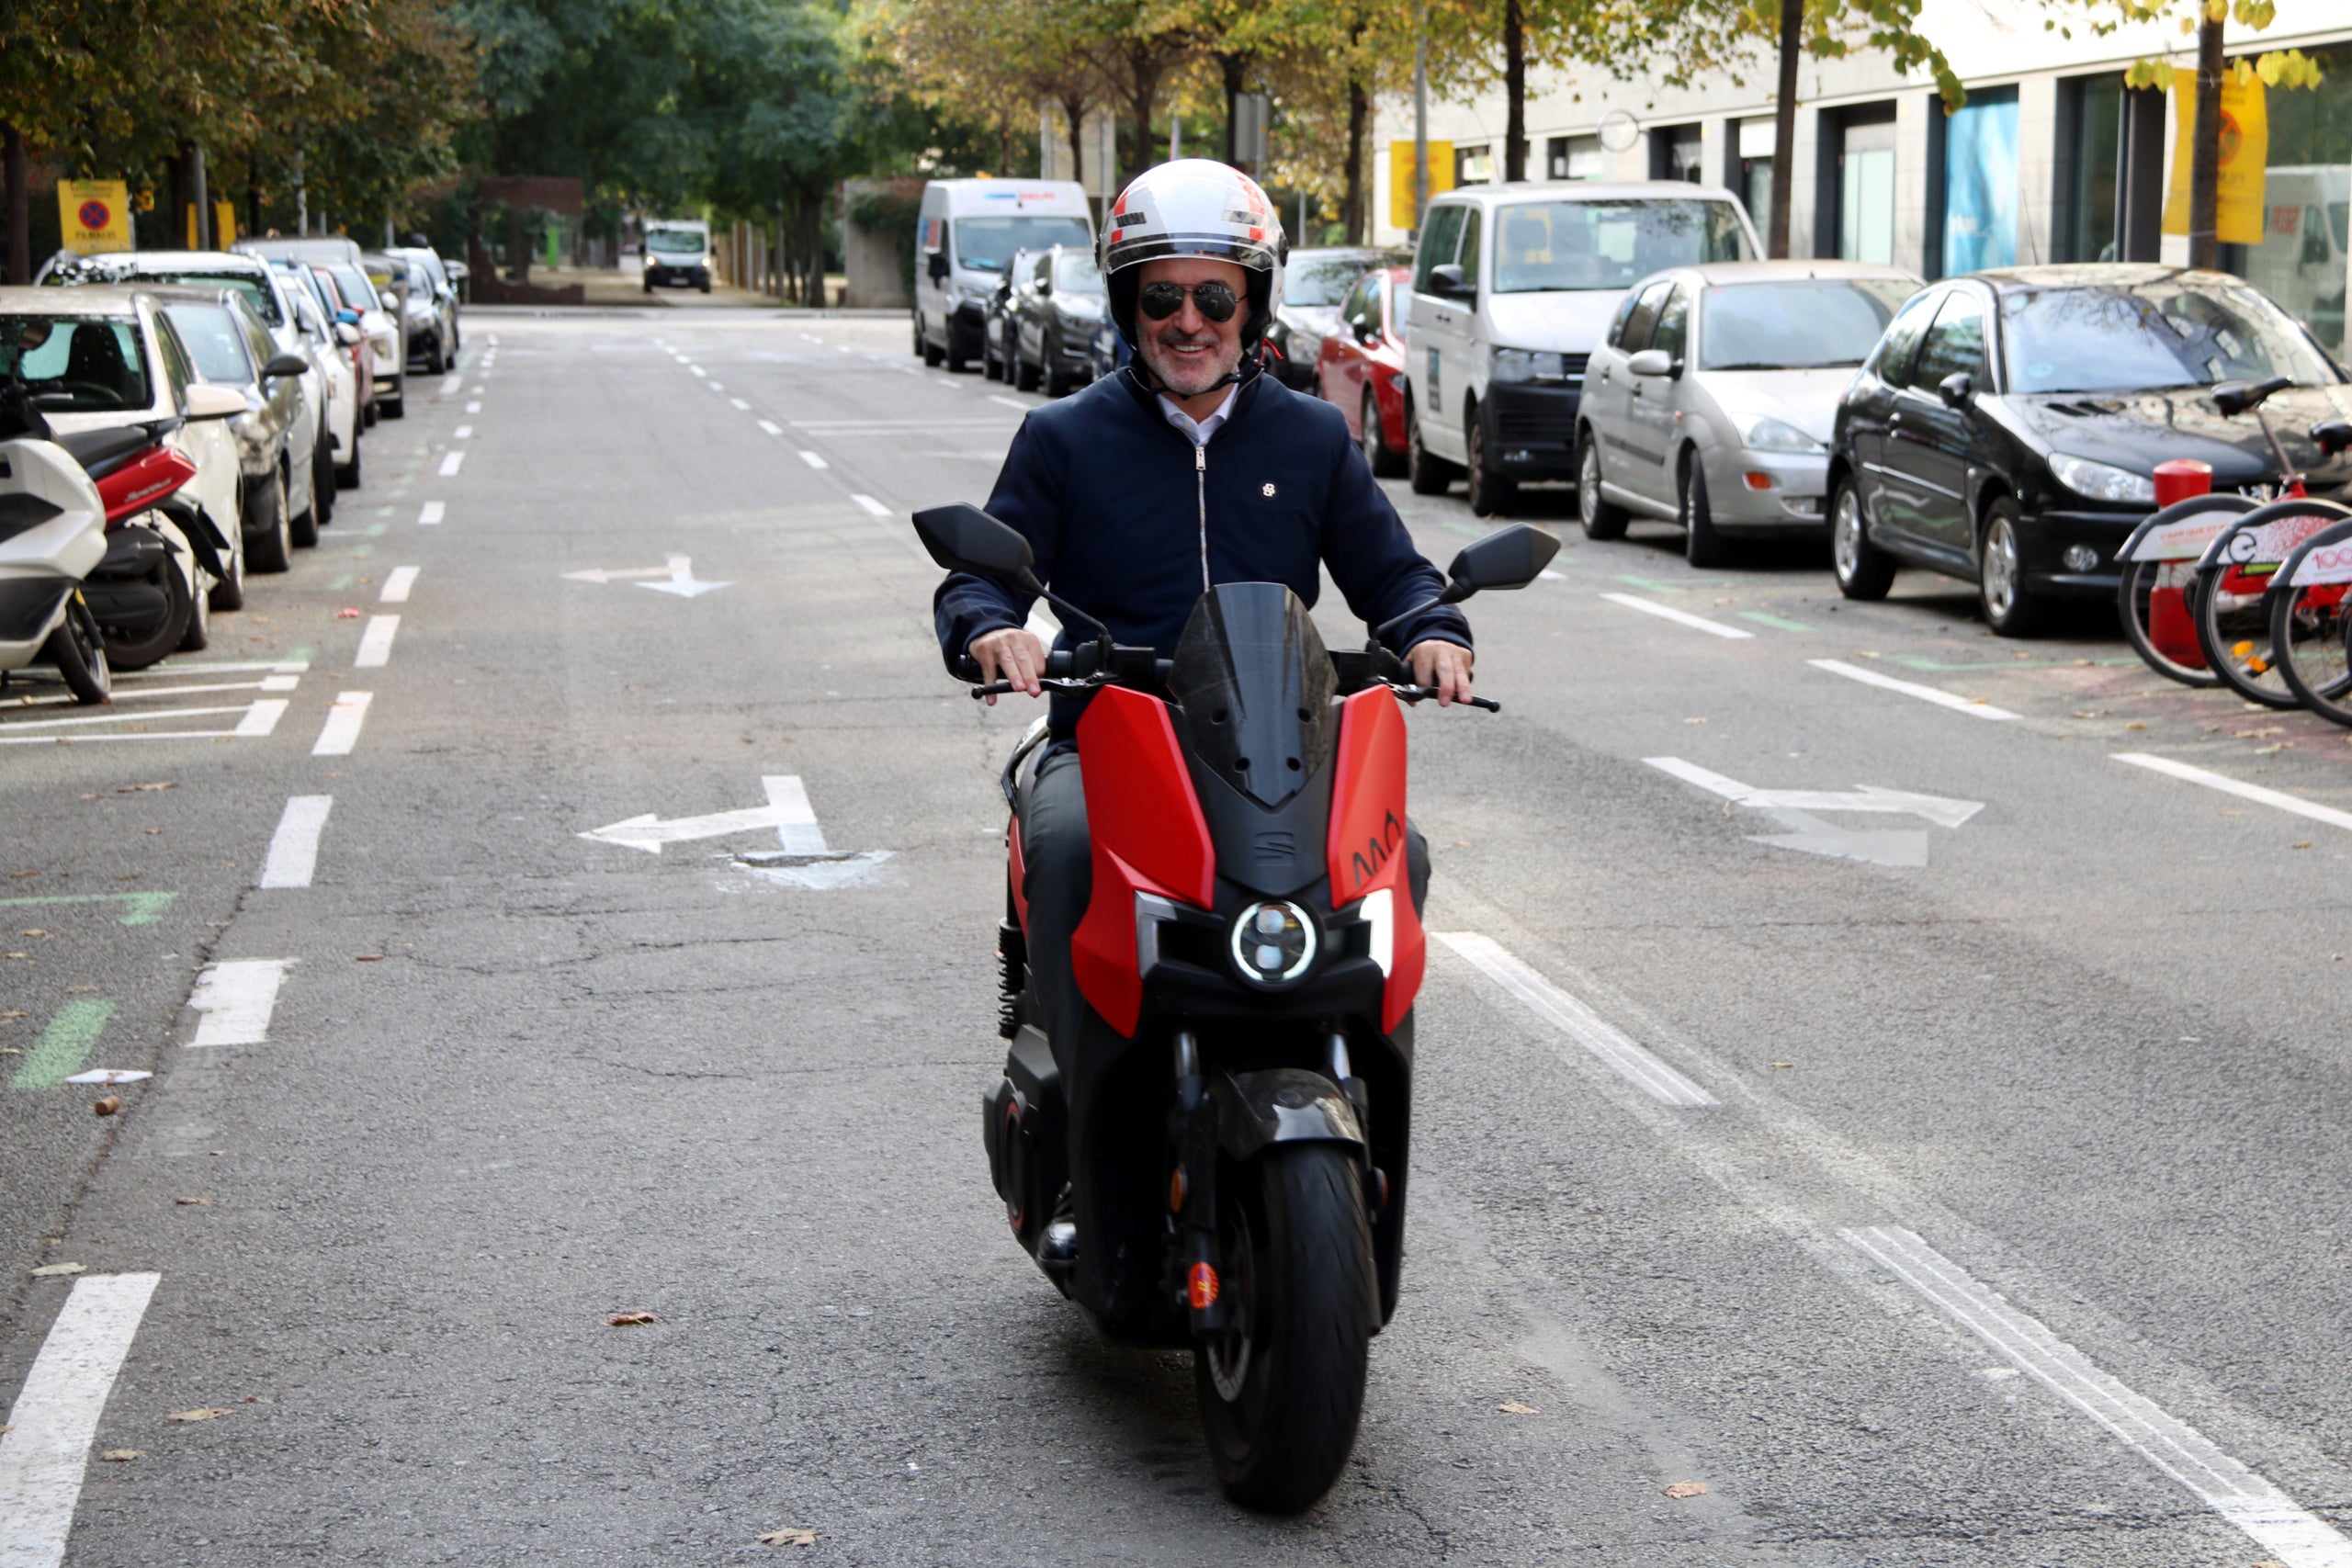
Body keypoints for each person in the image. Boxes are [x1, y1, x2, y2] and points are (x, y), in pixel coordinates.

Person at [932, 162, 1473, 1189]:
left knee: (1399, 860)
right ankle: (1089, 1145)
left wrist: (1432, 633)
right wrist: (993, 629)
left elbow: (1393, 574)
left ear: (1253, 305)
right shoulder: (1064, 438)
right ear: (1127, 305)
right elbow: (980, 576)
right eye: (1162, 297)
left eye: (1215, 296)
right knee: (1065, 849)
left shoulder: (1311, 436)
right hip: (1111, 736)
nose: (1189, 321)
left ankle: (1362, 1112)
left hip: (1280, 745)